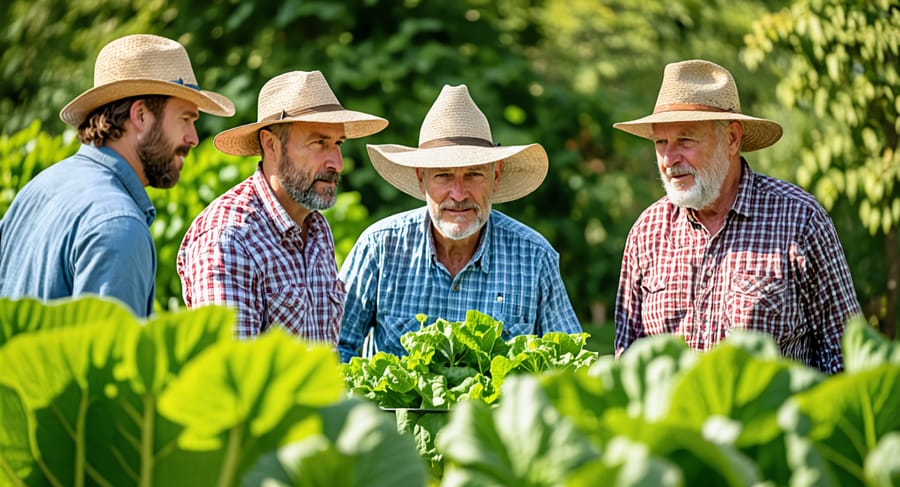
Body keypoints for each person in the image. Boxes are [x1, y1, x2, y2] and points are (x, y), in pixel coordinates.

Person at [612, 59, 861, 374]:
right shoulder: (646, 233)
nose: (669, 159)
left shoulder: (800, 219)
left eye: (685, 140)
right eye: (661, 142)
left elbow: (846, 356)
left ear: (731, 138)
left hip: (774, 422)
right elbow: (626, 363)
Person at [338, 84, 582, 362]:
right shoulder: (380, 247)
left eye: (473, 175)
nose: (458, 194)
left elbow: (569, 362)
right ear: (421, 178)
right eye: (442, 175)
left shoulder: (534, 257)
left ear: (496, 175)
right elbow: (335, 347)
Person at [0, 34, 234, 317]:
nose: (194, 138)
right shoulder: (119, 225)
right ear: (141, 116)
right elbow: (108, 359)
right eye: (185, 119)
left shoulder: (35, 191)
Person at [177, 70, 387, 343]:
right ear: (271, 144)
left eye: (337, 144)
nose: (337, 162)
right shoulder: (229, 238)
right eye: (319, 143)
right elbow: (231, 374)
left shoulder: (316, 227)